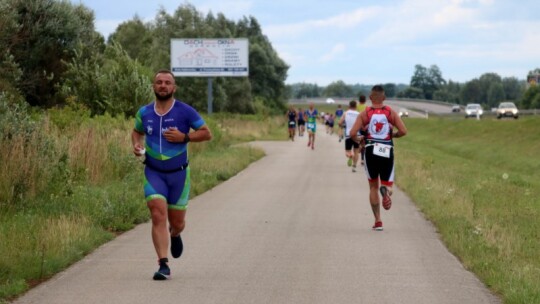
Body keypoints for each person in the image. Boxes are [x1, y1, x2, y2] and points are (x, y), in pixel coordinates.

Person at [132, 69, 212, 280]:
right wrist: (136, 144)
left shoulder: (185, 112)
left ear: (173, 88)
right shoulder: (144, 112)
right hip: (153, 172)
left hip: (179, 175)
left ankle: (175, 233)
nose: (163, 85)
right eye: (159, 82)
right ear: (153, 86)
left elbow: (206, 133)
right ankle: (163, 264)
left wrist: (184, 137)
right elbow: (136, 131)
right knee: (157, 213)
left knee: (177, 222)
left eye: (167, 82)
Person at [349, 85, 407, 231]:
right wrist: (392, 135)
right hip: (387, 150)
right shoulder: (390, 112)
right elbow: (403, 131)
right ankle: (386, 191)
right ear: (384, 98)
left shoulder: (365, 114)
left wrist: (360, 139)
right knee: (387, 184)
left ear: (370, 98)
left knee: (373, 186)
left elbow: (352, 133)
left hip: (370, 150)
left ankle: (378, 221)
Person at [338, 100, 361, 172]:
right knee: (356, 151)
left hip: (348, 134)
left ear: (349, 106)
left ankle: (350, 155)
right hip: (357, 135)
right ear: (356, 106)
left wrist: (343, 126)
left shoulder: (346, 113)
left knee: (347, 151)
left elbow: (339, 123)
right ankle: (354, 166)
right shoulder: (359, 114)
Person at [358, 95, 368, 165]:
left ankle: (358, 148)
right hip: (364, 127)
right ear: (365, 100)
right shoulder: (367, 108)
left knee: (360, 142)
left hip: (357, 126)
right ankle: (362, 159)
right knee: (364, 143)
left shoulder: (356, 107)